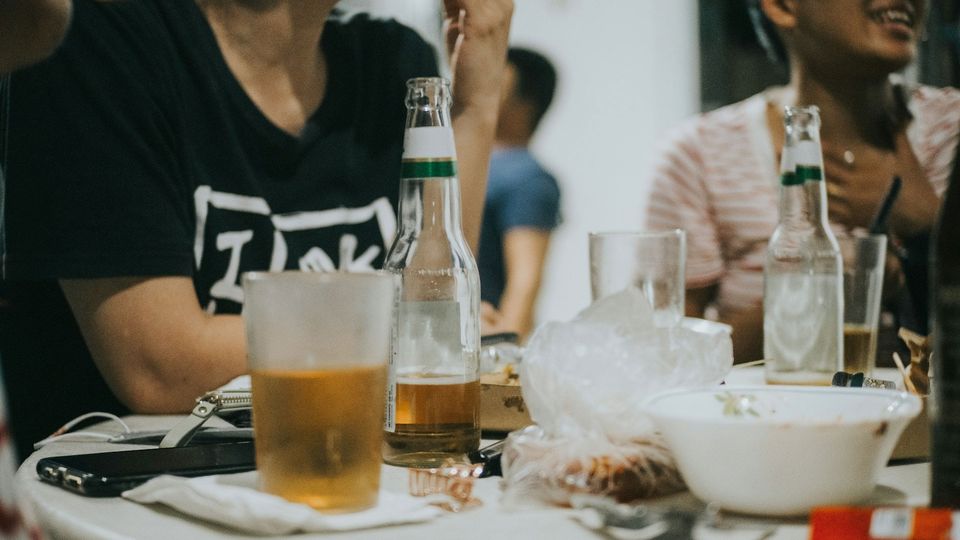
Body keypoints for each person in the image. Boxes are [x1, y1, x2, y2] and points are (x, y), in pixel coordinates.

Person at [1, 0, 512, 460]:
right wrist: (409, 331)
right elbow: (159, 366)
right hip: (134, 500)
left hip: (347, 473)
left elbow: (440, 298)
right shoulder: (101, 35)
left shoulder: (392, 59)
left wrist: (476, 102)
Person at [645, 0, 960, 362]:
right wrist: (816, 287)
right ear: (782, 6)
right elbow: (668, 358)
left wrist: (934, 226)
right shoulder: (698, 154)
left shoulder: (952, 132)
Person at [478, 47, 560, 341]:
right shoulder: (473, 165)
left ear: (526, 103)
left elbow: (525, 282)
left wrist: (504, 364)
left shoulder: (528, 178)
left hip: (482, 341)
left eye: (496, 81)